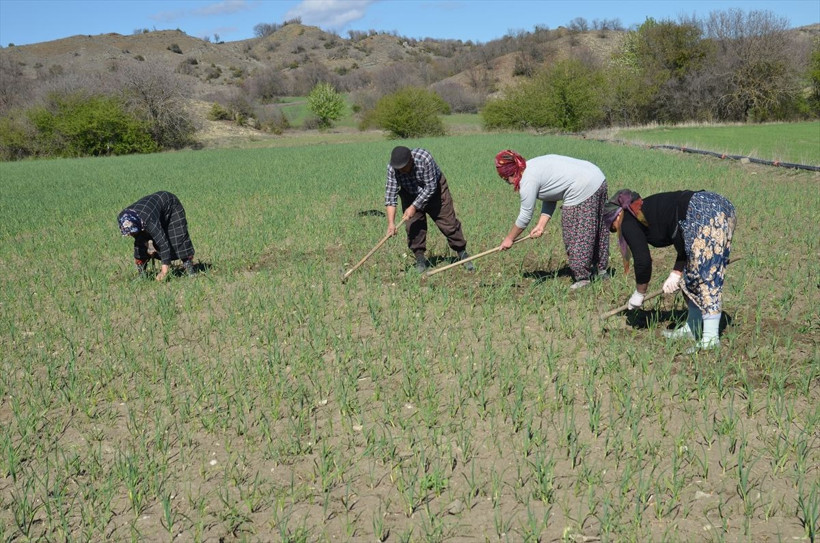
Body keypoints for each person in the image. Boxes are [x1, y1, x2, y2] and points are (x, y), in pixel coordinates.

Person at [603, 189, 736, 352]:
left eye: (613, 228)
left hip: (705, 211)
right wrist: (676, 272)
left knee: (705, 276)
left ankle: (710, 338)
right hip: (718, 205)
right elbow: (682, 237)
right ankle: (693, 327)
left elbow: (643, 261)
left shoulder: (627, 219)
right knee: (692, 272)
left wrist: (639, 293)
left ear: (616, 217)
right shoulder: (646, 210)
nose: (617, 231)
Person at [495, 150, 610, 289]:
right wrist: (541, 225)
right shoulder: (531, 167)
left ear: (511, 173)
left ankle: (583, 278)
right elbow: (552, 194)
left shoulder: (527, 181)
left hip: (582, 185)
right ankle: (601, 270)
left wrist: (509, 238)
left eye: (505, 179)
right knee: (597, 227)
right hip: (597, 178)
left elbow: (525, 216)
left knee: (576, 232)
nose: (507, 182)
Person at [385, 146, 474, 273]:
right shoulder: (393, 168)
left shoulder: (424, 158)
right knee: (413, 227)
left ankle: (462, 253)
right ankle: (420, 260)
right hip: (410, 193)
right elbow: (390, 195)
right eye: (399, 168)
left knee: (448, 223)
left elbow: (430, 187)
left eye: (403, 167)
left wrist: (414, 206)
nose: (401, 171)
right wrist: (391, 223)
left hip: (435, 192)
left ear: (411, 160)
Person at [118, 191, 197, 281]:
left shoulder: (149, 220)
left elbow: (163, 243)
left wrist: (163, 272)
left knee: (177, 238)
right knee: (139, 245)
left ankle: (190, 269)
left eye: (132, 232)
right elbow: (136, 233)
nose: (130, 234)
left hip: (171, 207)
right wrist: (147, 244)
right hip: (151, 211)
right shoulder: (122, 218)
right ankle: (142, 275)